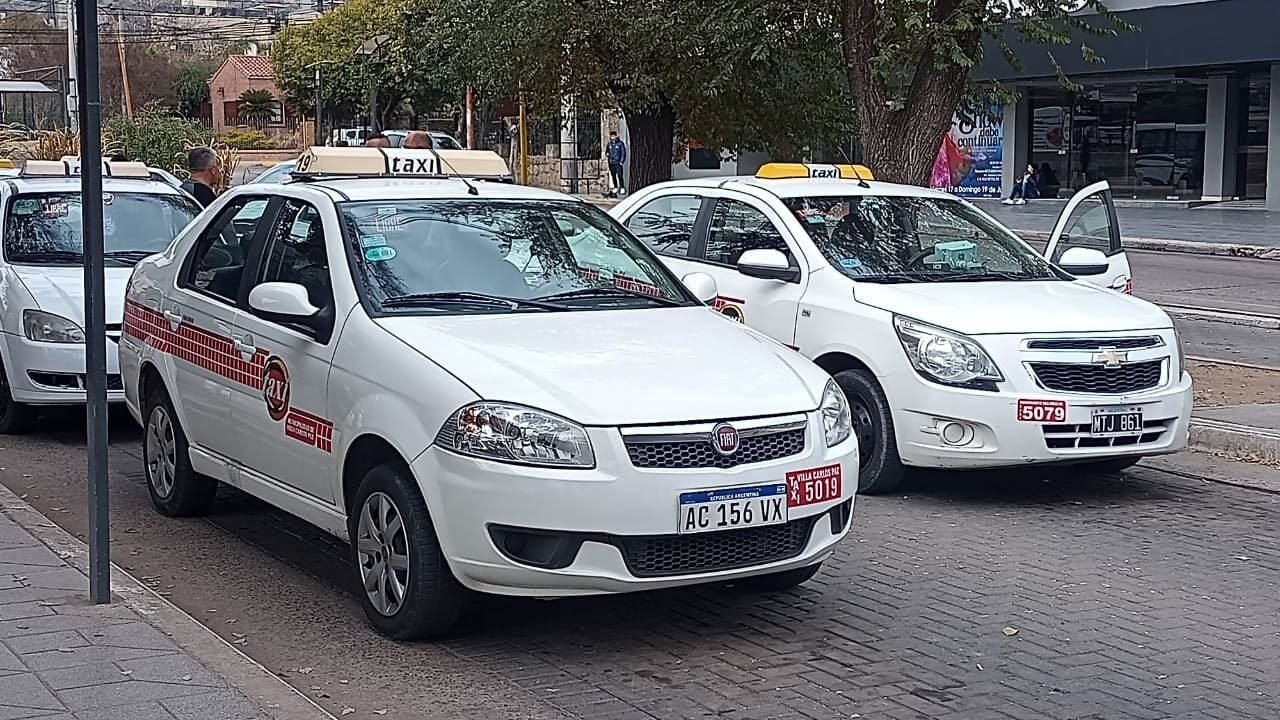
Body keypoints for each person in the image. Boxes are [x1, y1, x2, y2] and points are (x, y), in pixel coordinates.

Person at [606, 131, 627, 197]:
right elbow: (607, 151)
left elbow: (623, 153)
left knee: (620, 175)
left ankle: (622, 187)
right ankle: (615, 187)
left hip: (618, 162)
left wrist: (621, 161)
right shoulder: (609, 144)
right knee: (613, 175)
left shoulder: (620, 144)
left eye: (613, 136)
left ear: (616, 136)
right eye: (611, 136)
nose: (612, 137)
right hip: (611, 162)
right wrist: (607, 154)